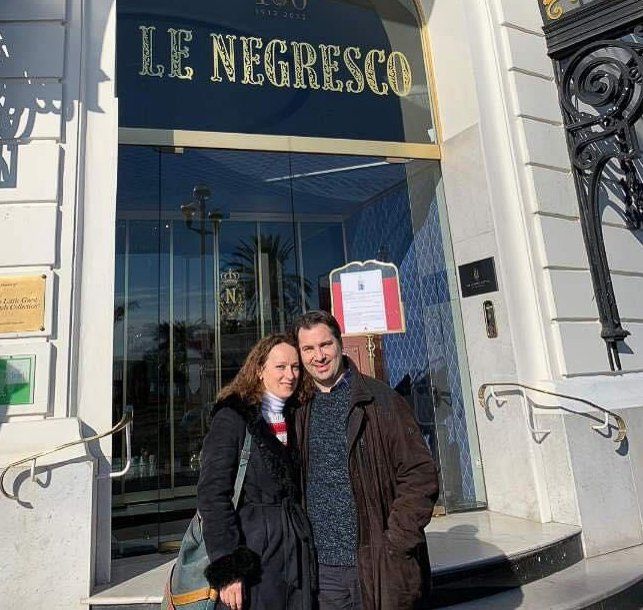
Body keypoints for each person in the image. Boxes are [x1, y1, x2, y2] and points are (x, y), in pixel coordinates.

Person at [293, 310, 439, 610]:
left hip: (376, 564)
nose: (318, 356)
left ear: (340, 344)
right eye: (308, 349)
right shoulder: (298, 408)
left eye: (325, 345)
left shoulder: (382, 400)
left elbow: (420, 474)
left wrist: (396, 542)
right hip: (322, 570)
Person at [197, 333, 315, 610]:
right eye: (280, 367)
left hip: (295, 555)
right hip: (252, 556)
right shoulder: (233, 417)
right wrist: (228, 569)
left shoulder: (297, 416)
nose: (290, 375)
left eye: (295, 367)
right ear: (259, 369)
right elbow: (212, 494)